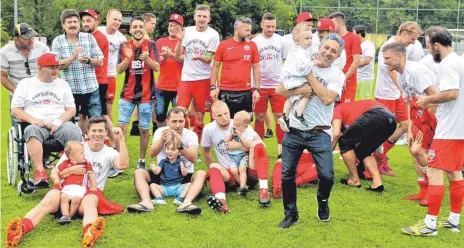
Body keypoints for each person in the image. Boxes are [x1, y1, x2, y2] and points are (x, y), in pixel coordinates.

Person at [6, 116, 129, 247]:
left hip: (88, 194)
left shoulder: (109, 152)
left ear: (106, 133)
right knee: (48, 200)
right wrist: (70, 171)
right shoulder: (76, 148)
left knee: (90, 201)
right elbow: (55, 172)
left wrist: (121, 139)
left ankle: (89, 233)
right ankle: (20, 230)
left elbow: (123, 165)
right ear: (87, 132)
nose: (97, 134)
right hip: (66, 190)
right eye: (94, 131)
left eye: (100, 131)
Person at [275, 34, 345, 228]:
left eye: (334, 51)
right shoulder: (304, 61)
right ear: (320, 46)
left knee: (327, 175)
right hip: (295, 130)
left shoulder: (337, 74)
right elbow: (279, 89)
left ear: (338, 56)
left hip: (320, 132)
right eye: (326, 48)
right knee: (287, 174)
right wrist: (299, 91)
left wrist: (308, 74)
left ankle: (322, 200)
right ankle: (291, 214)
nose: (328, 53)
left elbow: (327, 98)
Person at [402, 27, 464, 236]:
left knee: (435, 171)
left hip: (448, 131)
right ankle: (454, 220)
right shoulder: (460, 61)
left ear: (437, 45)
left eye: (428, 45)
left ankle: (430, 225)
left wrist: (427, 99)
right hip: (459, 129)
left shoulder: (448, 64)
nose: (428, 50)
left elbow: (452, 94)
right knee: (455, 173)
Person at [10, 53, 81, 186]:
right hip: (36, 124)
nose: (55, 70)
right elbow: (15, 109)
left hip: (60, 123)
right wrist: (33, 120)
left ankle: (73, 169)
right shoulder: (26, 84)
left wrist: (58, 121)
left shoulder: (63, 84)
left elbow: (71, 109)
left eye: (57, 67)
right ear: (40, 68)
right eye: (51, 67)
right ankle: (40, 172)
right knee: (31, 130)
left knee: (73, 130)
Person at [381, 42, 438, 205]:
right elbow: (409, 103)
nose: (385, 62)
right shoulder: (402, 74)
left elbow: (434, 98)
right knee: (413, 149)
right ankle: (424, 190)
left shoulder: (414, 71)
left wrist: (426, 126)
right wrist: (411, 129)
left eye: (387, 58)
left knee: (419, 150)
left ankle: (434, 192)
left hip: (434, 114)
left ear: (399, 56)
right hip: (419, 114)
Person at [127, 107, 206, 215]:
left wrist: (180, 146)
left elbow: (193, 158)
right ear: (167, 121)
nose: (177, 125)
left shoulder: (191, 135)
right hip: (162, 174)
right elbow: (152, 153)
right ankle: (146, 202)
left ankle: (186, 203)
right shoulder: (160, 132)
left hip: (184, 175)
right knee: (139, 172)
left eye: (181, 121)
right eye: (174, 121)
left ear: (185, 121)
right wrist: (162, 140)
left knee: (201, 173)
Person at [373, 21, 423, 176]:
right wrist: (404, 89)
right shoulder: (388, 47)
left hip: (397, 94)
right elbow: (391, 71)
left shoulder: (402, 49)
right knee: (383, 131)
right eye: (412, 39)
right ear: (404, 33)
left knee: (405, 126)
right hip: (385, 95)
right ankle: (377, 161)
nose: (412, 42)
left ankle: (380, 157)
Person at [202, 101, 271, 212]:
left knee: (257, 144)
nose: (224, 117)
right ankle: (221, 201)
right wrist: (217, 175)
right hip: (229, 173)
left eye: (226, 113)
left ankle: (264, 190)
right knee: (213, 166)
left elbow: (261, 145)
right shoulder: (209, 129)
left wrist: (240, 146)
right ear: (213, 116)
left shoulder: (239, 123)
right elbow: (205, 152)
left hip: (248, 170)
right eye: (219, 115)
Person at [116, 16, 160, 170]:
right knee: (121, 129)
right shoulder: (124, 45)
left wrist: (147, 59)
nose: (138, 29)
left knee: (144, 129)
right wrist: (128, 58)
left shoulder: (152, 45)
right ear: (130, 30)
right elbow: (119, 70)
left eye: (140, 26)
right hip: (127, 94)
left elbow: (156, 67)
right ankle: (119, 159)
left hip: (146, 96)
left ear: (144, 28)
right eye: (134, 27)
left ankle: (141, 159)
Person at [52, 9, 103, 134]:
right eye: (69, 22)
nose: (73, 24)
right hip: (70, 90)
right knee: (69, 125)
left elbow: (100, 61)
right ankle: (73, 149)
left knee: (96, 122)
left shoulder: (89, 38)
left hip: (91, 89)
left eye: (75, 21)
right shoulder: (58, 41)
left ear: (79, 24)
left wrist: (89, 60)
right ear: (63, 25)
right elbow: (55, 65)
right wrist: (73, 57)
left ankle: (94, 149)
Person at [174, 4, 220, 140]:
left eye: (204, 16)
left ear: (209, 19)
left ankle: (197, 143)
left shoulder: (213, 34)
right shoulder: (187, 31)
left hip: (204, 78)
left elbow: (208, 59)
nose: (201, 19)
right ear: (194, 17)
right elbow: (178, 56)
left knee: (200, 115)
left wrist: (200, 57)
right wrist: (180, 39)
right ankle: (180, 141)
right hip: (187, 78)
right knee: (180, 111)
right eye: (199, 16)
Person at [332, 100, 397, 192]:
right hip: (391, 120)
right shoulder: (351, 109)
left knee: (344, 141)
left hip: (376, 114)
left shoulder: (336, 110)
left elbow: (336, 134)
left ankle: (354, 179)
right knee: (364, 150)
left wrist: (328, 152)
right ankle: (377, 183)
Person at [210, 17, 261, 118]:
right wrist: (212, 88)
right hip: (226, 90)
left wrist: (257, 89)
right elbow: (215, 67)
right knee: (225, 123)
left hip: (245, 91)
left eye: (250, 30)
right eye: (246, 30)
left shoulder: (252, 45)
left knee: (244, 124)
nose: (249, 33)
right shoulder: (223, 45)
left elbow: (256, 68)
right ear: (237, 29)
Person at [1, 23, 49, 122]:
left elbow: (51, 69)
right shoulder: (4, 52)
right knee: (20, 126)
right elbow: (3, 77)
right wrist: (17, 92)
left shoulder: (42, 47)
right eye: (27, 38)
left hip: (41, 93)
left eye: (32, 37)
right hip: (19, 94)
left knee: (44, 122)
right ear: (16, 38)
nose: (31, 40)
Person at [252, 13, 286, 155]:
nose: (271, 29)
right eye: (268, 26)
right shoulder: (255, 42)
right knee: (259, 117)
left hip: (277, 85)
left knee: (280, 117)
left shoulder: (280, 40)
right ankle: (259, 148)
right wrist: (255, 87)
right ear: (261, 25)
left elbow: (285, 60)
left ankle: (281, 150)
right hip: (260, 85)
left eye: (273, 26)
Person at [278, 23, 315, 131]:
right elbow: (303, 67)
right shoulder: (300, 52)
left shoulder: (295, 51)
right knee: (308, 93)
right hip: (295, 79)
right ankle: (299, 114)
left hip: (288, 79)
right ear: (297, 40)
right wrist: (314, 62)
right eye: (307, 38)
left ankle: (285, 116)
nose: (310, 40)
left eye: (311, 38)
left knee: (290, 98)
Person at [52, 141, 97, 224]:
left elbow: (91, 175)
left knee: (76, 199)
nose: (84, 155)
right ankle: (65, 215)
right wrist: (56, 178)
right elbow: (55, 171)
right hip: (67, 186)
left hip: (80, 187)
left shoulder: (85, 163)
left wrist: (94, 185)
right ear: (72, 157)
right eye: (81, 153)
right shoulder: (66, 163)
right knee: (64, 197)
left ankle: (70, 215)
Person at [129, 12, 158, 136]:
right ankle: (154, 125)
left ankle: (136, 125)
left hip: (139, 75)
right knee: (149, 100)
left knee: (139, 99)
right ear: (145, 23)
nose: (154, 26)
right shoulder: (146, 41)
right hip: (143, 75)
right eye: (152, 23)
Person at [97, 9, 127, 123]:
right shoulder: (98, 32)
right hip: (95, 74)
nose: (117, 22)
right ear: (107, 18)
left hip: (109, 75)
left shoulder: (121, 39)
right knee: (92, 106)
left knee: (108, 107)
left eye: (119, 20)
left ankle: (110, 138)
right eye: (115, 19)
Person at [80, 9, 110, 122]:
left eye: (89, 20)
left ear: (96, 22)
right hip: (89, 81)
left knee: (101, 116)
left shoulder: (99, 38)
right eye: (83, 21)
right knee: (84, 115)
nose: (85, 24)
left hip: (98, 81)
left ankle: (114, 138)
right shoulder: (87, 37)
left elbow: (97, 61)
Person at [156, 14, 184, 127]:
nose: (172, 28)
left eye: (176, 26)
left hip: (179, 86)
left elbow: (184, 59)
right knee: (160, 114)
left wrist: (170, 55)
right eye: (171, 25)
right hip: (162, 85)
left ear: (181, 28)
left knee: (178, 115)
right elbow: (155, 62)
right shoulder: (160, 42)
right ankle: (160, 137)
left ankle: (177, 140)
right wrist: (162, 59)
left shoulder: (184, 42)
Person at [329, 12, 361, 103]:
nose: (330, 27)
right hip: (333, 80)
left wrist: (344, 78)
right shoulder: (333, 39)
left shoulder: (353, 38)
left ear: (339, 23)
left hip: (347, 83)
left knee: (345, 111)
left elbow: (356, 61)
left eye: (332, 23)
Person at [225, 111, 256, 195]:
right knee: (234, 171)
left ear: (245, 125)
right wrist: (231, 135)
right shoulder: (233, 129)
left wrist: (241, 136)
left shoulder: (248, 131)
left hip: (242, 155)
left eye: (238, 125)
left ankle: (242, 185)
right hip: (232, 156)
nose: (235, 127)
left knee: (242, 169)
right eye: (234, 124)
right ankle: (243, 186)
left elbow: (249, 145)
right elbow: (226, 142)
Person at [150, 141, 191, 205]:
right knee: (152, 185)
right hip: (165, 187)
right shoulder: (163, 161)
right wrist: (154, 169)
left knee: (189, 184)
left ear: (179, 152)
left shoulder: (181, 161)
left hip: (178, 187)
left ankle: (180, 198)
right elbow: (157, 172)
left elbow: (184, 174)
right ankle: (159, 198)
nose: (169, 151)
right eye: (167, 149)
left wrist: (183, 168)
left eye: (173, 149)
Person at [353, 25, 376, 99]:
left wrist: (353, 65)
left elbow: (367, 60)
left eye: (354, 34)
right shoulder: (356, 44)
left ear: (359, 34)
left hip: (366, 78)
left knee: (365, 101)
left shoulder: (368, 45)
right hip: (356, 77)